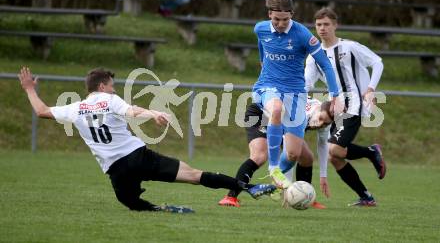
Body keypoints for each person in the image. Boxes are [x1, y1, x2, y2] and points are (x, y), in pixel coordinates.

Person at [18, 67, 276, 213]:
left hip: (115, 169)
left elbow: (41, 111)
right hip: (138, 157)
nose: (114, 90)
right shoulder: (109, 99)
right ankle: (249, 188)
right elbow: (131, 111)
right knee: (195, 175)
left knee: (130, 203)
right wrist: (154, 113)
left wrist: (30, 88)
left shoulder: (75, 108)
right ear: (102, 87)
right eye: (112, 86)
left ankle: (160, 209)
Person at [252, 0, 342, 190]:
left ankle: (272, 184)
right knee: (276, 109)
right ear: (269, 15)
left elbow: (326, 65)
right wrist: (262, 63)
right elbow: (261, 45)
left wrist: (335, 94)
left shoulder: (302, 35)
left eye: (285, 19)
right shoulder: (261, 29)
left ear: (292, 14)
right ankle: (274, 168)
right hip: (268, 85)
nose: (281, 23)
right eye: (276, 19)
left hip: (295, 93)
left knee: (293, 153)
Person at [305, 7, 386, 206]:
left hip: (354, 106)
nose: (322, 29)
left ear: (335, 25)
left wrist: (370, 89)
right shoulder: (314, 55)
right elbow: (306, 84)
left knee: (335, 148)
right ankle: (366, 196)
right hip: (335, 110)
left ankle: (371, 153)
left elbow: (377, 62)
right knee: (336, 157)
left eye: (326, 24)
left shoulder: (349, 47)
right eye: (318, 25)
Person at [218, 98, 333, 208]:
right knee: (259, 156)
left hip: (280, 120)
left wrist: (323, 176)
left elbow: (323, 145)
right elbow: (290, 153)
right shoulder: (301, 114)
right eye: (320, 118)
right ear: (317, 109)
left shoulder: (325, 120)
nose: (319, 124)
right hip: (260, 115)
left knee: (307, 157)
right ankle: (231, 197)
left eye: (325, 123)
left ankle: (306, 197)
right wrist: (285, 187)